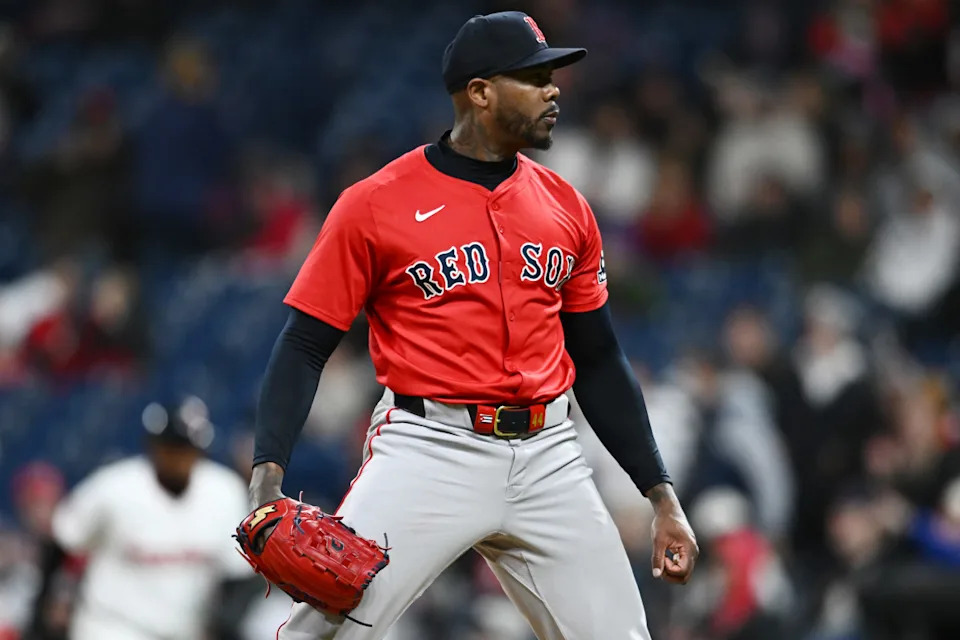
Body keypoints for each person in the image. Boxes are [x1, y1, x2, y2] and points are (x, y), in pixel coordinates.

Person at [248, 11, 698, 640]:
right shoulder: (376, 202)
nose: (554, 90)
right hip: (431, 448)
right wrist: (267, 474)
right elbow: (303, 343)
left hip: (549, 456)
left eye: (553, 77)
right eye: (535, 77)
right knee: (321, 634)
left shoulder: (567, 207)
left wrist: (660, 493)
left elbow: (597, 358)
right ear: (481, 92)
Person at [28, 397, 255, 640]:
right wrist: (43, 612)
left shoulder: (223, 492)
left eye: (186, 450)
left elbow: (239, 575)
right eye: (171, 448)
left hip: (186, 631)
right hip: (113, 627)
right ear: (153, 447)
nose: (179, 459)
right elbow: (63, 539)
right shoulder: (114, 487)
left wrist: (223, 625)